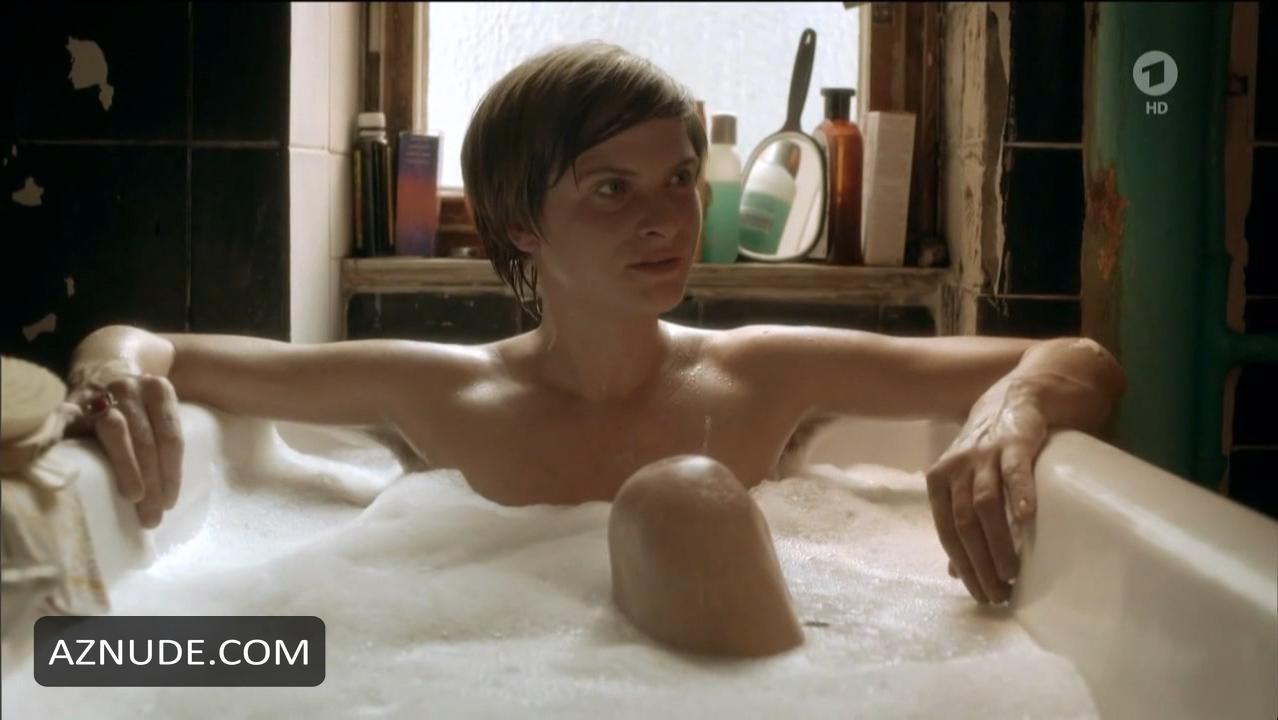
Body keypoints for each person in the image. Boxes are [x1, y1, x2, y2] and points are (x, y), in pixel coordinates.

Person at [58, 42, 1125, 657]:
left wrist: (1013, 406)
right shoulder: (436, 392)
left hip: (771, 681)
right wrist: (110, 367)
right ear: (522, 224)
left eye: (678, 180)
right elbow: (155, 347)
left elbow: (1080, 358)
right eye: (611, 189)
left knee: (683, 499)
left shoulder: (763, 373)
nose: (663, 219)